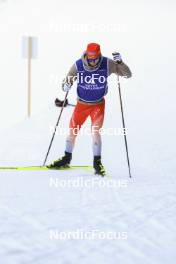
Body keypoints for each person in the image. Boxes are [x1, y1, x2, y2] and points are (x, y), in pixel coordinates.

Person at [48, 43, 132, 176]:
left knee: (96, 132)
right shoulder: (78, 65)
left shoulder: (107, 64)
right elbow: (67, 79)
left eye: (96, 60)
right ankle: (66, 158)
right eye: (90, 59)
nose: (93, 62)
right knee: (73, 130)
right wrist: (65, 85)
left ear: (99, 56)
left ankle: (97, 163)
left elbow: (127, 75)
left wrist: (120, 63)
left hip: (98, 105)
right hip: (81, 105)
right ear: (86, 56)